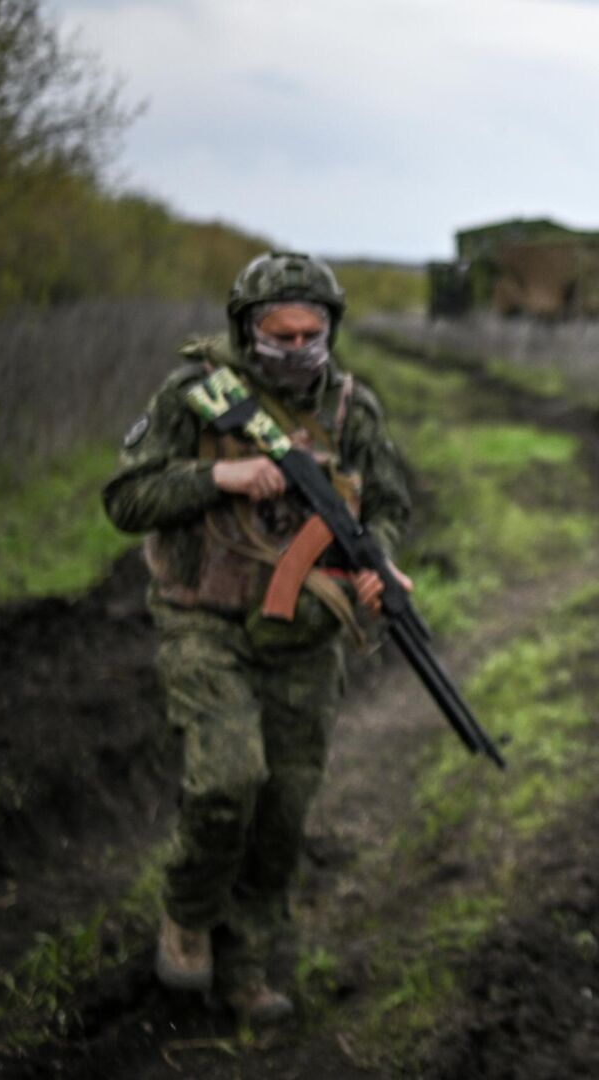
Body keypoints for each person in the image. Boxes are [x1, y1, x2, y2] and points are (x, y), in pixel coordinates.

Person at [103, 252, 412, 1025]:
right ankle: (189, 910)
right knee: (226, 779)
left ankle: (246, 966)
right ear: (248, 331)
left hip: (305, 637)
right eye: (282, 336)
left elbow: (388, 504)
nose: (301, 349)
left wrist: (378, 562)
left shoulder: (351, 409)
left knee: (283, 809)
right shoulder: (196, 397)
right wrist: (220, 480)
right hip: (204, 623)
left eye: (314, 334)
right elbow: (127, 497)